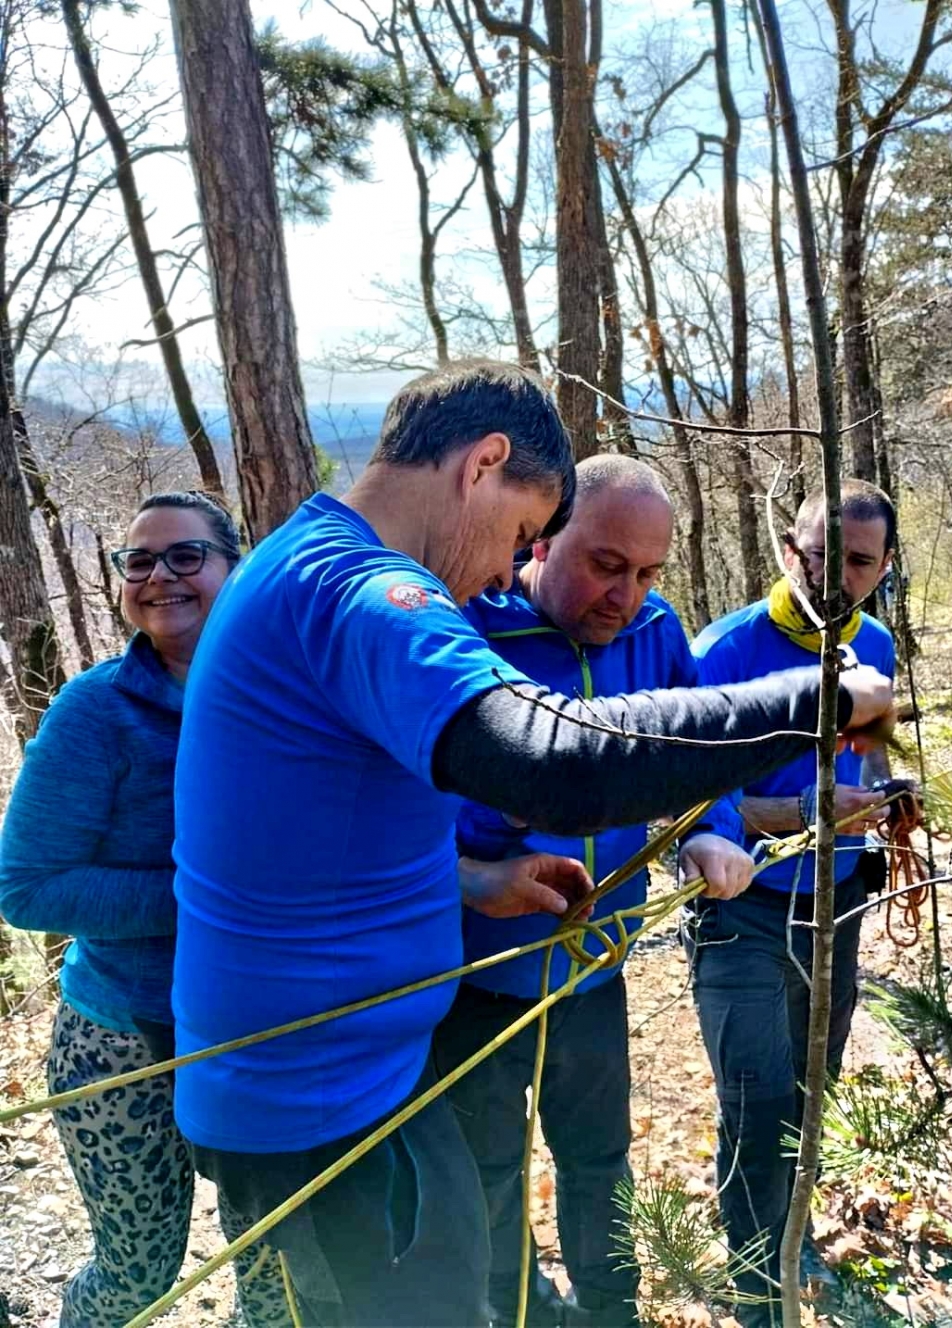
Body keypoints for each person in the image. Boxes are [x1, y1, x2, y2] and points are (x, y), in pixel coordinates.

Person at [170, 361, 896, 1328]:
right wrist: (817, 701)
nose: (504, 572)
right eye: (520, 535)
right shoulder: (362, 590)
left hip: (356, 1073)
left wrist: (470, 880)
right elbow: (554, 760)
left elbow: (324, 825)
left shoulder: (307, 563)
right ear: (484, 464)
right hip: (317, 1097)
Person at [434, 455, 756, 1328]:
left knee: (599, 1159)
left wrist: (707, 829)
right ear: (542, 539)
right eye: (606, 565)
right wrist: (494, 829)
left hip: (593, 970)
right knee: (489, 1172)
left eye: (648, 572)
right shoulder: (467, 627)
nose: (627, 596)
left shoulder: (656, 631)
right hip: (474, 976)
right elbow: (407, 795)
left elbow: (700, 752)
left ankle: (612, 1312)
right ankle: (520, 1313)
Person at [0, 493, 293, 1328]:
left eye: (186, 555)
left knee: (275, 1268)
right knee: (137, 1275)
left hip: (260, 1030)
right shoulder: (95, 712)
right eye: (140, 560)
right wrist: (210, 900)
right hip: (122, 1040)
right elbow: (25, 886)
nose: (160, 574)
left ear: (235, 568)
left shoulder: (288, 695)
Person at [688, 479, 903, 1327]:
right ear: (789, 550)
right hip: (739, 908)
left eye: (859, 562)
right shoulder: (722, 654)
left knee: (817, 1085)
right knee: (756, 1096)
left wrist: (890, 797)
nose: (836, 576)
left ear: (883, 568)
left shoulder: (874, 644)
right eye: (820, 555)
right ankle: (755, 1288)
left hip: (837, 901)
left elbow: (870, 754)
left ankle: (790, 1240)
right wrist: (809, 811)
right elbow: (691, 812)